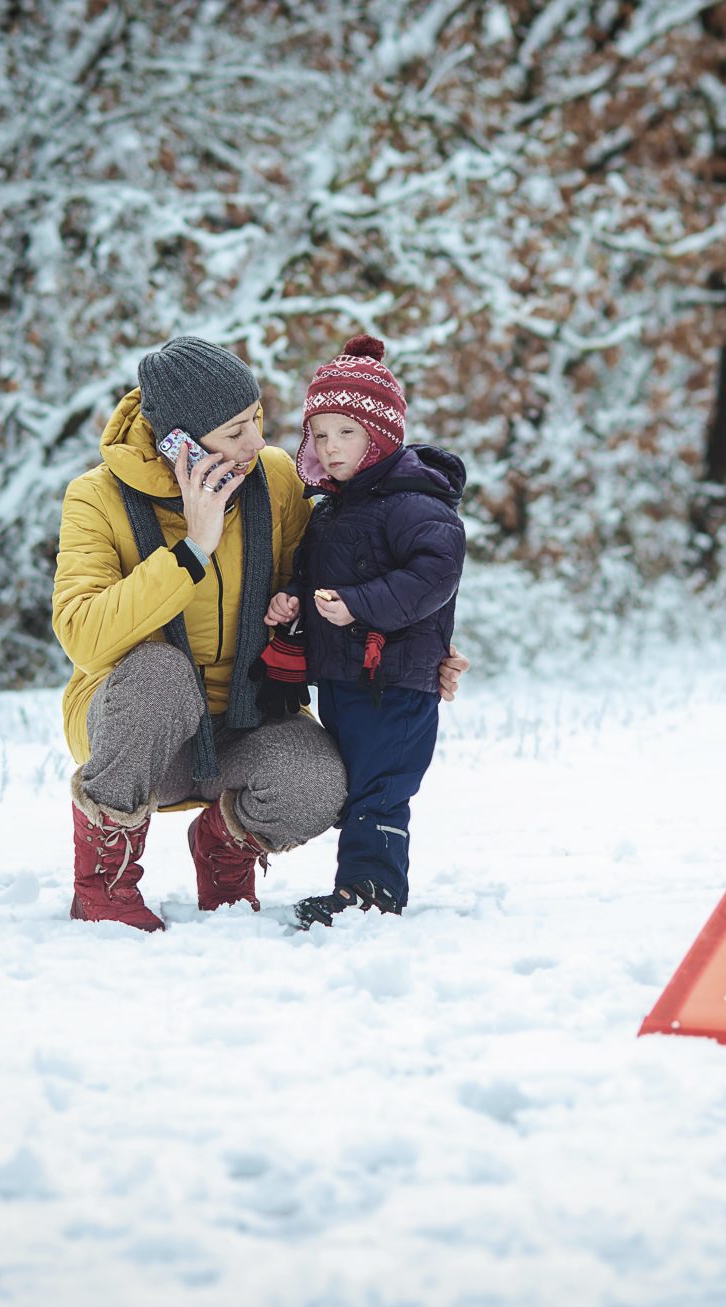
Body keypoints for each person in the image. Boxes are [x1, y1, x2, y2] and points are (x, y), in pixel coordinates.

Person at [51, 336, 465, 931]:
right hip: (140, 734)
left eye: (256, 420)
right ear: (180, 443)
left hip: (246, 721)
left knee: (321, 781)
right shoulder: (96, 499)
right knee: (158, 676)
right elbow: (84, 638)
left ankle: (223, 850)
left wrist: (418, 648)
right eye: (234, 432)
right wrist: (192, 547)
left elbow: (339, 581)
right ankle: (104, 883)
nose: (256, 443)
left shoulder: (272, 478)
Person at [264, 336, 467, 929]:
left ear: (380, 434)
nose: (330, 448)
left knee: (381, 788)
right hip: (349, 681)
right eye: (320, 435)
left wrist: (359, 606)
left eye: (346, 433)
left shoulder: (412, 501)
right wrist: (293, 600)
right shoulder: (335, 507)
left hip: (396, 681)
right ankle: (359, 884)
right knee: (355, 787)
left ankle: (372, 890)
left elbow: (436, 572)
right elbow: (320, 575)